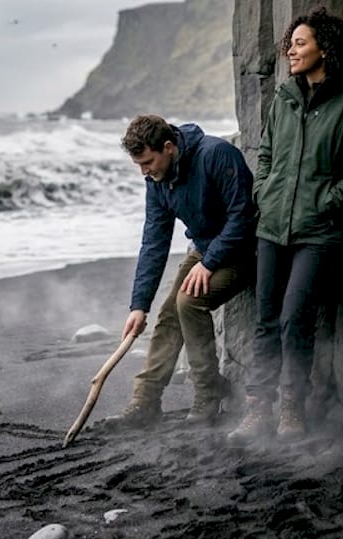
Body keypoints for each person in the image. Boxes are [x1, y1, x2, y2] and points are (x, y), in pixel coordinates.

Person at [228, 7, 343, 443]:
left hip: (318, 231)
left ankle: (292, 406)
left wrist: (328, 200)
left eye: (300, 43)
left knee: (295, 318)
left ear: (325, 48)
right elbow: (265, 153)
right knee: (265, 319)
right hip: (272, 226)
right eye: (290, 43)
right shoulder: (285, 97)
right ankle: (259, 409)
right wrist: (264, 191)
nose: (290, 51)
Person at [105, 114, 256, 428]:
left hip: (246, 249)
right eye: (139, 165)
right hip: (205, 250)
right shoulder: (157, 180)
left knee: (189, 301)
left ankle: (208, 396)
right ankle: (144, 402)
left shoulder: (216, 155)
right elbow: (154, 241)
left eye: (148, 162)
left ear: (169, 147)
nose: (144, 171)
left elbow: (243, 216)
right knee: (167, 314)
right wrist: (138, 305)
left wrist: (209, 262)